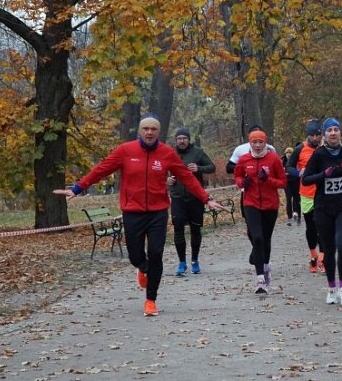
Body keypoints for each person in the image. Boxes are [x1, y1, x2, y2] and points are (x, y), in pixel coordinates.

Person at [53, 115, 226, 317]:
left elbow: (186, 177)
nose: (149, 132)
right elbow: (101, 169)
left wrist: (206, 198)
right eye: (146, 129)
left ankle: (151, 300)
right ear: (140, 131)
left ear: (158, 132)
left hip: (158, 213)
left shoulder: (167, 153)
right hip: (132, 211)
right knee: (135, 255)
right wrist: (77, 188)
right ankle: (143, 269)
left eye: (153, 129)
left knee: (156, 254)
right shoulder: (125, 151)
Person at [302, 117, 342, 306]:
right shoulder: (318, 155)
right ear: (324, 135)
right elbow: (306, 180)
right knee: (329, 250)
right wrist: (323, 175)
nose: (333, 133)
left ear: (340, 132)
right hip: (323, 209)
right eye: (329, 130)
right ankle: (331, 288)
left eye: (336, 129)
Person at [234, 129, 287, 294]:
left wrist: (268, 180)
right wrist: (244, 182)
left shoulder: (273, 159)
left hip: (270, 205)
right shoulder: (244, 159)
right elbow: (237, 178)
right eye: (254, 142)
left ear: (265, 143)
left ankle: (265, 267)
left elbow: (283, 182)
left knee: (265, 239)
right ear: (249, 143)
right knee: (256, 238)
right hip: (250, 203)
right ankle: (259, 280)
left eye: (260, 142)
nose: (257, 145)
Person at [169, 127, 216, 276]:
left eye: (184, 138)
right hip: (177, 196)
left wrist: (199, 168)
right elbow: (160, 170)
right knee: (178, 230)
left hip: (195, 197)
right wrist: (166, 179)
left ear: (189, 140)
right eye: (179, 139)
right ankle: (182, 262)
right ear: (175, 140)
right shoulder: (170, 153)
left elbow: (212, 167)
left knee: (196, 229)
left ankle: (195, 260)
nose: (182, 141)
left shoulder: (198, 152)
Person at [286, 119, 324, 273]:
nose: (315, 138)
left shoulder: (326, 148)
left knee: (323, 226)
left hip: (323, 193)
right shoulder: (300, 148)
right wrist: (298, 172)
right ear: (308, 135)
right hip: (307, 193)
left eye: (318, 135)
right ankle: (313, 256)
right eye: (312, 135)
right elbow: (288, 167)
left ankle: (322, 258)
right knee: (311, 227)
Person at [281, 147, 301, 226]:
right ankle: (289, 217)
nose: (289, 155)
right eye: (287, 153)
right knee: (288, 198)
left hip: (295, 181)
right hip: (286, 182)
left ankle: (296, 214)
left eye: (290, 153)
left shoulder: (296, 161)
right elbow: (279, 171)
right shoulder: (282, 161)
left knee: (296, 198)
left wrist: (294, 173)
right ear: (285, 154)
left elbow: (299, 171)